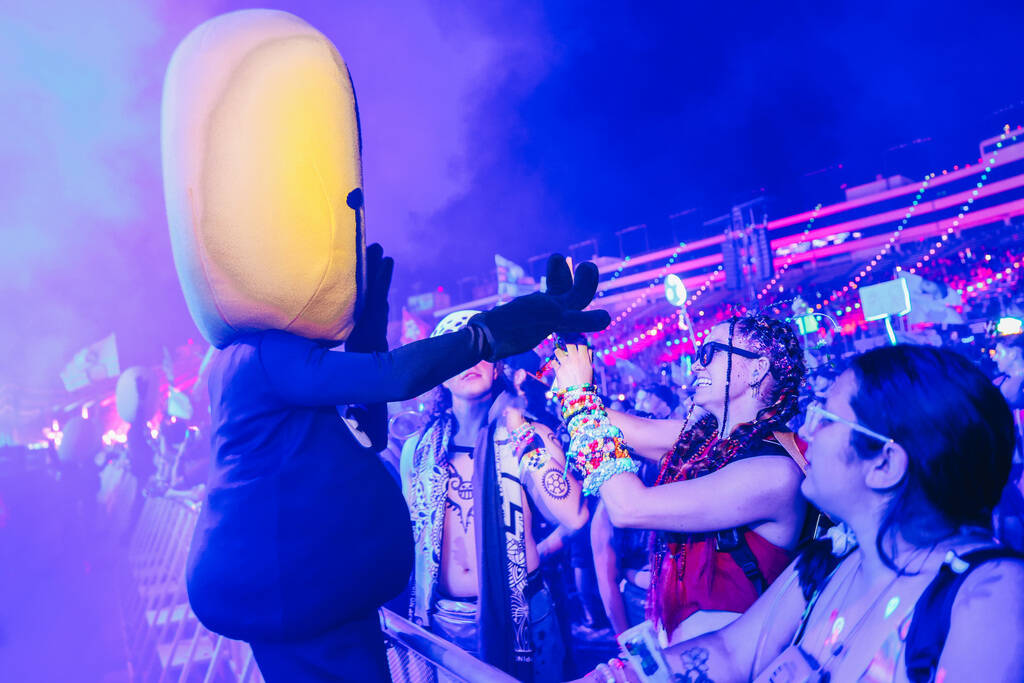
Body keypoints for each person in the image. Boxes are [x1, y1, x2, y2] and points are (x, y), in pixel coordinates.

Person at [163, 11, 609, 682]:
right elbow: (395, 381)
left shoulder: (249, 362)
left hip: (306, 592)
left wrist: (368, 324)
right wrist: (494, 329)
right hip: (299, 593)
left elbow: (366, 428)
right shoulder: (262, 357)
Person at [592, 344, 1024, 683]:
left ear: (885, 464)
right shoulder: (832, 558)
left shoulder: (992, 594)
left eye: (828, 419)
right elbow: (731, 653)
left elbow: (630, 507)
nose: (808, 432)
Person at [551, 316, 809, 645]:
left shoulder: (774, 471)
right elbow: (596, 417)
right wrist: (567, 341)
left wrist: (578, 397)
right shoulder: (705, 441)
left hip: (735, 657)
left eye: (710, 353)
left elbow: (628, 507)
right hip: (681, 643)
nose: (697, 365)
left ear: (757, 370)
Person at [401, 312, 589, 682]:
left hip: (524, 619)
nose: (468, 362)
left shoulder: (529, 435)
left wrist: (519, 428)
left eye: (479, 351)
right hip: (441, 626)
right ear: (440, 372)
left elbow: (575, 516)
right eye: (456, 354)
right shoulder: (416, 448)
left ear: (497, 364)